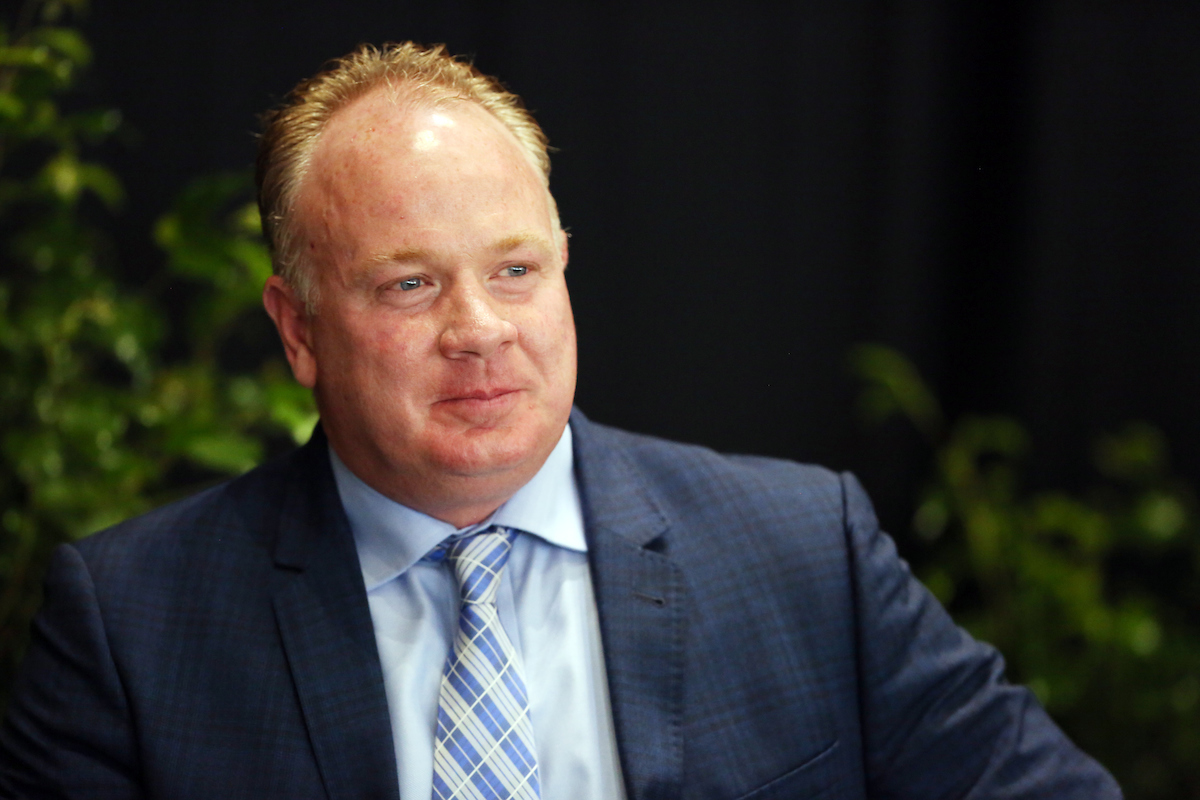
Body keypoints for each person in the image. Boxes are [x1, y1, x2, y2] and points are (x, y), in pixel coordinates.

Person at [0, 42, 1121, 800]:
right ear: (297, 331)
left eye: (516, 268)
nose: (480, 329)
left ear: (566, 268)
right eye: (409, 284)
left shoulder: (803, 551)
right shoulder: (131, 627)